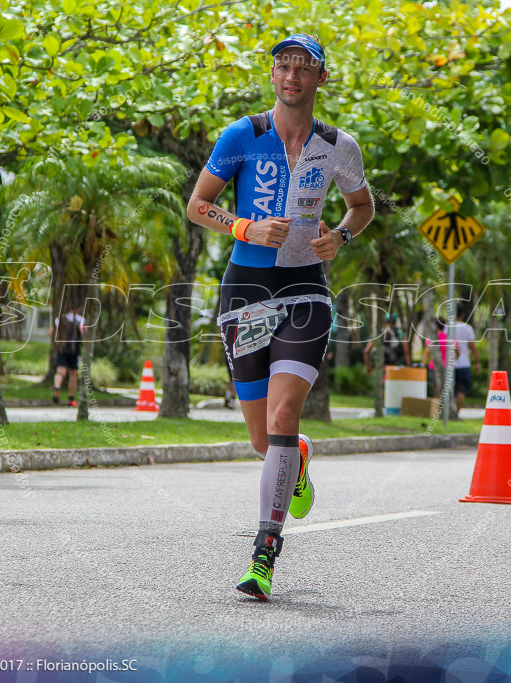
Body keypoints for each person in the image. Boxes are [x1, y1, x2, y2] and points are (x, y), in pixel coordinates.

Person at [186, 33, 374, 601]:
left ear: (321, 78)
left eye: (304, 66)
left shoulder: (339, 145)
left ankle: (264, 555)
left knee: (285, 412)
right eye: (283, 65)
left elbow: (362, 206)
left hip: (304, 291)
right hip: (246, 289)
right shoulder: (243, 135)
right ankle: (299, 457)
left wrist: (340, 236)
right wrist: (244, 227)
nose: (292, 75)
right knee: (261, 439)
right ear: (273, 75)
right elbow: (197, 205)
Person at [445, 305, 479, 419]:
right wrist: (477, 362)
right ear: (462, 315)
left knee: (449, 390)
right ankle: (456, 414)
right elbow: (473, 347)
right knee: (461, 390)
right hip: (464, 363)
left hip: (450, 364)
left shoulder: (447, 327)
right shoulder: (467, 328)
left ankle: (449, 413)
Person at [52, 304, 84, 407]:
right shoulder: (80, 319)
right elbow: (82, 331)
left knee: (60, 371)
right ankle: (71, 399)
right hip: (74, 348)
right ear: (78, 308)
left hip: (62, 347)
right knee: (73, 374)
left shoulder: (60, 319)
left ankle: (57, 386)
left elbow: (51, 332)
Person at [421, 315, 449, 401]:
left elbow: (427, 351)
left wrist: (422, 365)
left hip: (434, 366)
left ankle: (437, 409)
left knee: (436, 390)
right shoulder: (448, 337)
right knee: (444, 389)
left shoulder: (433, 338)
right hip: (446, 366)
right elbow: (456, 351)